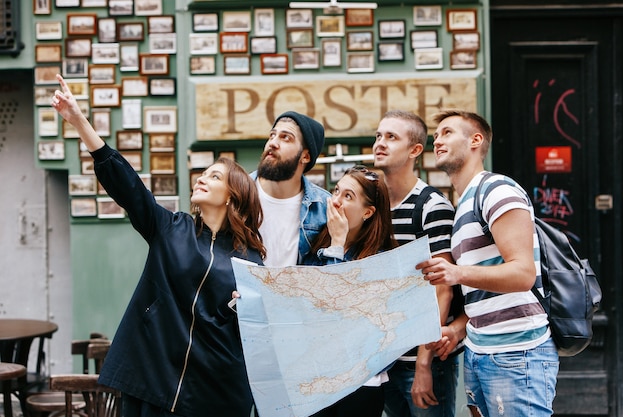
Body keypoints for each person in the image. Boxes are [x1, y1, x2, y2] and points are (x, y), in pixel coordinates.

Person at [51, 73, 266, 417]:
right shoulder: (171, 228)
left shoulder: (250, 258)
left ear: (232, 196)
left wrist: (245, 308)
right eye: (203, 172)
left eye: (214, 176)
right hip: (152, 378)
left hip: (214, 392)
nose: (201, 178)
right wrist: (80, 121)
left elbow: (255, 333)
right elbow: (127, 187)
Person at [418, 109, 558, 417]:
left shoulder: (496, 190)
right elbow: (485, 295)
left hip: (517, 352)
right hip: (480, 351)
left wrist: (457, 272)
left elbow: (523, 273)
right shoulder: (463, 205)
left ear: (475, 141)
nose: (437, 140)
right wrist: (457, 330)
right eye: (436, 135)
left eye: (447, 132)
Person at [373, 110, 465, 417]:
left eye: (391, 137)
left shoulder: (431, 206)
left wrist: (425, 363)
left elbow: (443, 291)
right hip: (384, 362)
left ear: (415, 150)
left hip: (423, 362)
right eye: (378, 136)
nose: (380, 144)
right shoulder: (374, 207)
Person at [303, 165, 398, 417]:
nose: (335, 201)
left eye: (348, 196)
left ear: (368, 212)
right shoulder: (316, 247)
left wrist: (337, 245)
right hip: (316, 380)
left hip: (359, 387)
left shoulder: (380, 261)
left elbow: (341, 316)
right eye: (336, 191)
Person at [251, 110, 330, 266]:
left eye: (285, 137)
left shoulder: (323, 208)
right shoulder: (236, 192)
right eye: (272, 135)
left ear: (305, 156)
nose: (273, 143)